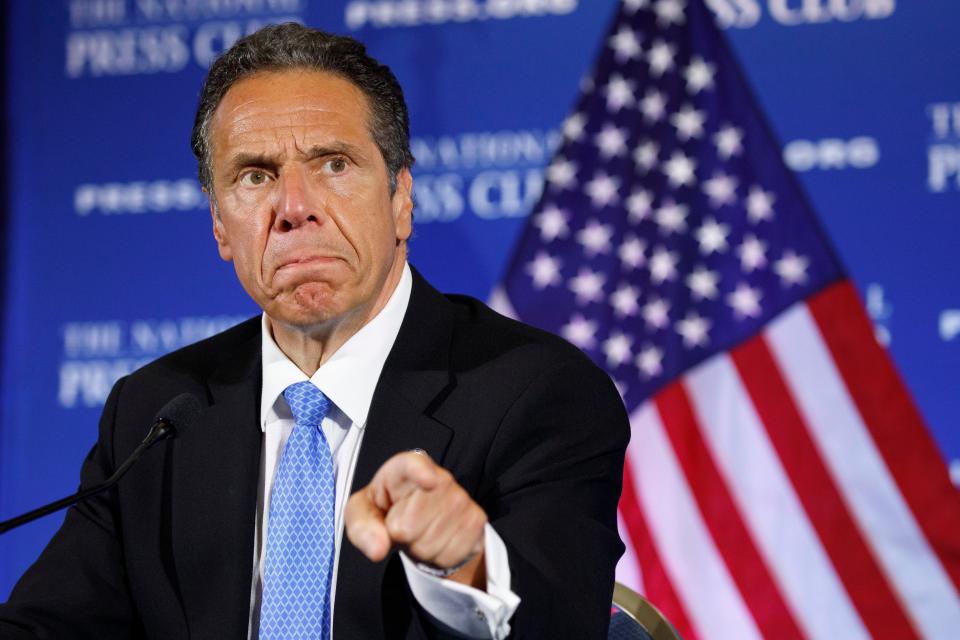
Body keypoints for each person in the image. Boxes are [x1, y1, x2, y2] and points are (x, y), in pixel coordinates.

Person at [0, 23, 628, 639]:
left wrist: (465, 561)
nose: (294, 207)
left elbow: (559, 621)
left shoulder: (539, 393)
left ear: (400, 196)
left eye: (333, 163)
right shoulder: (152, 413)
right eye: (256, 175)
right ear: (221, 224)